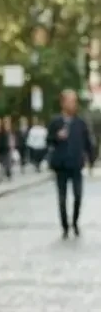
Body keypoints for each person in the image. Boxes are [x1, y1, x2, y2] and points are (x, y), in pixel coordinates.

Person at [47, 89, 96, 238]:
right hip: (61, 165)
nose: (73, 104)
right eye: (70, 101)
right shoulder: (55, 122)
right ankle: (65, 226)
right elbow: (48, 140)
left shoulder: (80, 123)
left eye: (74, 101)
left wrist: (91, 160)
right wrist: (56, 137)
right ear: (63, 103)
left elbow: (87, 143)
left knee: (78, 195)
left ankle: (74, 222)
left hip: (76, 165)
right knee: (62, 199)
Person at [0, 116, 14, 181]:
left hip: (5, 149)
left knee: (5, 164)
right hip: (4, 149)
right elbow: (3, 142)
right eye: (7, 122)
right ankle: (3, 176)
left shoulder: (5, 131)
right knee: (5, 163)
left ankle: (6, 175)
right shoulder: (3, 132)